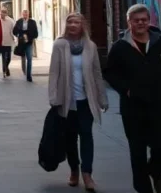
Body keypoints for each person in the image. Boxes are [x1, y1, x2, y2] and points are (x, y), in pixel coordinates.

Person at [104, 3, 161, 193]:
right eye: (136, 20)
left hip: (157, 104)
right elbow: (109, 72)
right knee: (137, 150)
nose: (141, 23)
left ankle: (154, 172)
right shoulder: (120, 46)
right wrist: (126, 90)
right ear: (129, 22)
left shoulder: (160, 42)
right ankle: (143, 188)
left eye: (144, 20)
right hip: (132, 107)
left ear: (149, 21)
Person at [49, 13, 108, 191]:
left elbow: (97, 73)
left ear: (83, 26)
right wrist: (53, 97)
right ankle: (74, 169)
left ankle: (87, 174)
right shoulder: (60, 44)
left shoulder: (90, 46)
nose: (73, 25)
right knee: (70, 139)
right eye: (70, 22)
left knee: (87, 136)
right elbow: (53, 73)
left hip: (85, 101)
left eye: (76, 22)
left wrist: (102, 98)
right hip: (67, 101)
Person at [13, 9, 39, 82]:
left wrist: (30, 37)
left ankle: (29, 76)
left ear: (28, 14)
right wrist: (18, 35)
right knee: (23, 57)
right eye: (24, 14)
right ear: (22, 14)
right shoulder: (19, 22)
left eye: (26, 14)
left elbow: (36, 34)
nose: (25, 15)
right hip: (21, 43)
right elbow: (14, 31)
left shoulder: (32, 22)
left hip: (29, 43)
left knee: (29, 59)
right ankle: (24, 70)